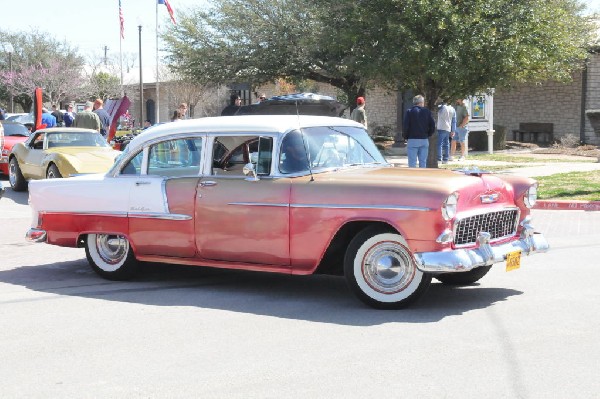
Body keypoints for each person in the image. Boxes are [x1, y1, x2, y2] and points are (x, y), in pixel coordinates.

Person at [402, 95, 435, 168]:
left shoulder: (409, 111)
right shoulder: (427, 111)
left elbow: (405, 126)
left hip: (412, 139)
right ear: (421, 102)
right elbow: (432, 125)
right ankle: (422, 177)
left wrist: (406, 136)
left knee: (412, 162)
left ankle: (413, 177)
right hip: (424, 139)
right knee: (423, 162)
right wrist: (428, 134)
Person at [436, 100, 456, 164]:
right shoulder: (452, 109)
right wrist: (453, 130)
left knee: (439, 144)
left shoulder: (439, 107)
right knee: (446, 144)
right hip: (448, 128)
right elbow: (454, 121)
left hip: (440, 127)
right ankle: (446, 159)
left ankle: (439, 158)